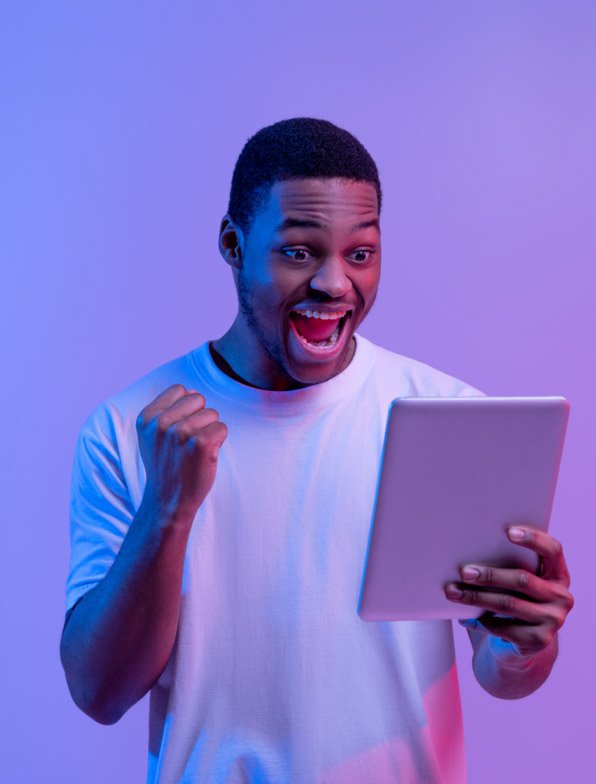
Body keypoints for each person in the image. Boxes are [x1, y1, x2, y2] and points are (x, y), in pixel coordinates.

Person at [60, 117, 574, 784]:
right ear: (233, 244)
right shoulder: (130, 428)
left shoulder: (447, 416)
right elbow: (99, 693)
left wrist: (526, 642)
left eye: (360, 253)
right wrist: (167, 509)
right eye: (299, 252)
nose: (334, 283)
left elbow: (501, 671)